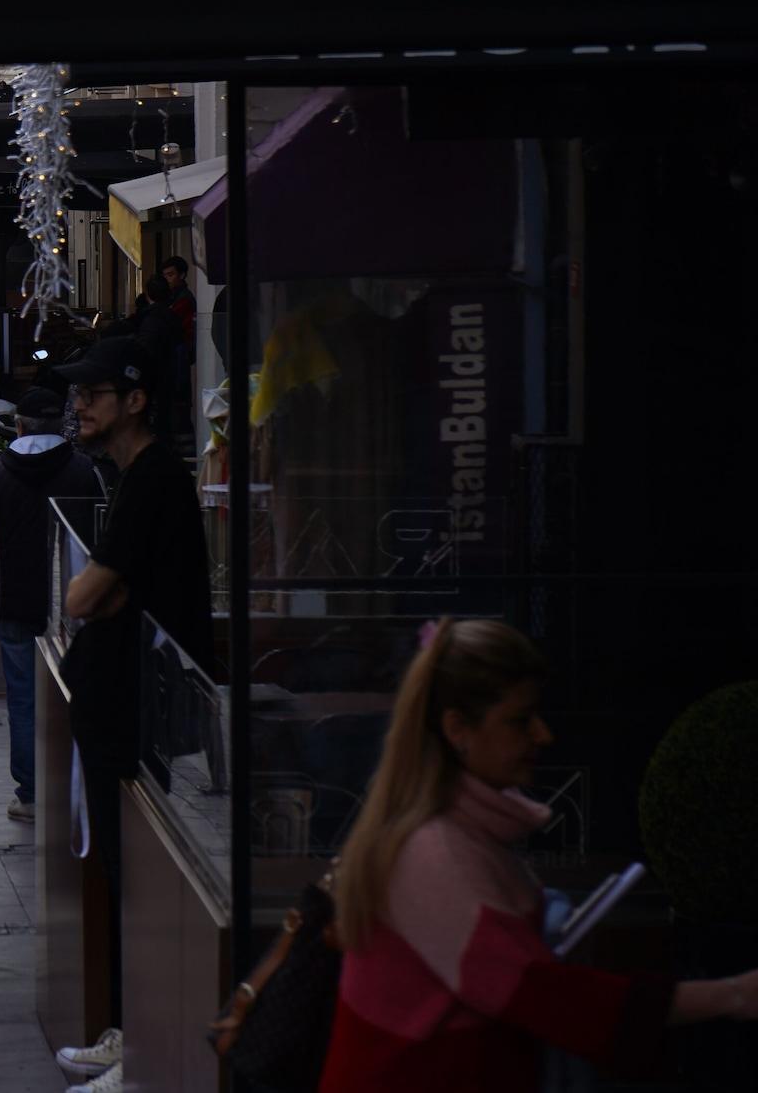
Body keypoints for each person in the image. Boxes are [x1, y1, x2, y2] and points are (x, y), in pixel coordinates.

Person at [319, 619, 758, 1092]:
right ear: (458, 730)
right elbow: (544, 996)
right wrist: (732, 995)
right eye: (519, 720)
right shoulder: (433, 854)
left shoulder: (449, 840)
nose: (542, 734)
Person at [56, 336, 211, 1089]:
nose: (78, 405)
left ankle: (135, 1042)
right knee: (123, 870)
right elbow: (101, 592)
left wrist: (97, 593)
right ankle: (129, 1034)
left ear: (136, 400)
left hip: (141, 707)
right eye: (76, 393)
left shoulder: (151, 481)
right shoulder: (135, 477)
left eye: (93, 394)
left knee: (135, 875)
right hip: (129, 702)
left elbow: (85, 596)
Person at [0, 387, 115, 823]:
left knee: (22, 697)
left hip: (15, 603)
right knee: (77, 693)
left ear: (18, 427)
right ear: (61, 426)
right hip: (73, 603)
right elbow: (100, 537)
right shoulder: (84, 471)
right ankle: (75, 785)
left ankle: (32, 792)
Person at [160, 254, 196, 342]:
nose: (166, 279)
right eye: (164, 276)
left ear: (181, 275)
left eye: (170, 275)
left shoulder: (184, 299)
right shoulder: (169, 295)